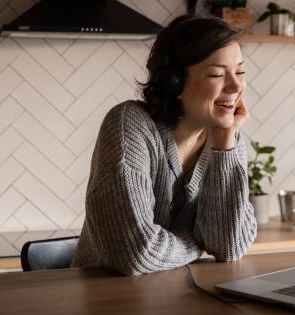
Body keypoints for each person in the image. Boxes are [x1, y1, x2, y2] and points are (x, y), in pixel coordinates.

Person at [72, 15, 257, 276]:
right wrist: (196, 242)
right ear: (175, 82)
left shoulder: (227, 139)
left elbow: (229, 247)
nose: (236, 86)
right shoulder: (130, 125)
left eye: (240, 71)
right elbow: (137, 253)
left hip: (178, 300)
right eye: (217, 74)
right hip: (106, 301)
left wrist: (225, 143)